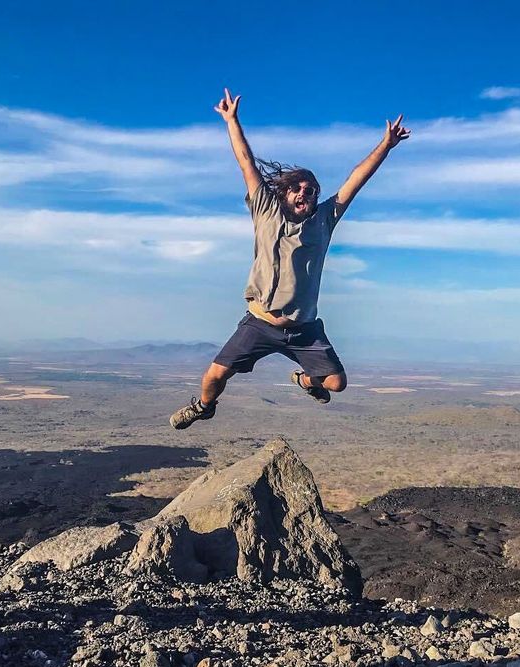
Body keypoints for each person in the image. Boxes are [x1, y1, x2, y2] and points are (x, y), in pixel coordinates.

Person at [170, 88, 410, 429]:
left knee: (336, 384)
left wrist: (385, 145)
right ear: (283, 192)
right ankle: (203, 407)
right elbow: (246, 164)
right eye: (297, 188)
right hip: (259, 322)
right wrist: (232, 120)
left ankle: (304, 380)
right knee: (214, 376)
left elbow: (356, 180)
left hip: (303, 329)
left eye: (310, 191)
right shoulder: (265, 211)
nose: (304, 194)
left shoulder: (324, 220)